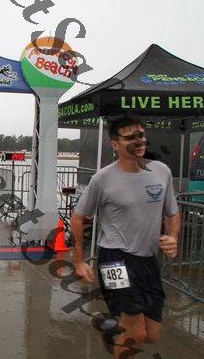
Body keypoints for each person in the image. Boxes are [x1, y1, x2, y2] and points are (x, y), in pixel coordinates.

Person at [71, 115, 180, 359]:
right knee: (136, 334)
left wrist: (172, 236)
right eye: (130, 138)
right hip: (114, 260)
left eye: (140, 135)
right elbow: (78, 218)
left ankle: (111, 330)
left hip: (148, 260)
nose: (137, 141)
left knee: (151, 335)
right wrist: (78, 260)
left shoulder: (161, 171)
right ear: (115, 144)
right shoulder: (103, 179)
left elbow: (173, 212)